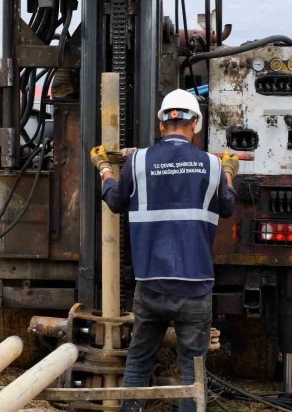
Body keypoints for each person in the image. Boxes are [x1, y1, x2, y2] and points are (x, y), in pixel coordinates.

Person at [90, 89, 238, 412]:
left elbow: (115, 201)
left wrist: (103, 169)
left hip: (150, 284)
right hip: (195, 286)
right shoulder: (212, 166)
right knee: (192, 371)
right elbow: (227, 207)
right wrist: (229, 172)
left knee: (139, 359)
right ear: (195, 124)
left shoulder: (138, 161)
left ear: (161, 125)